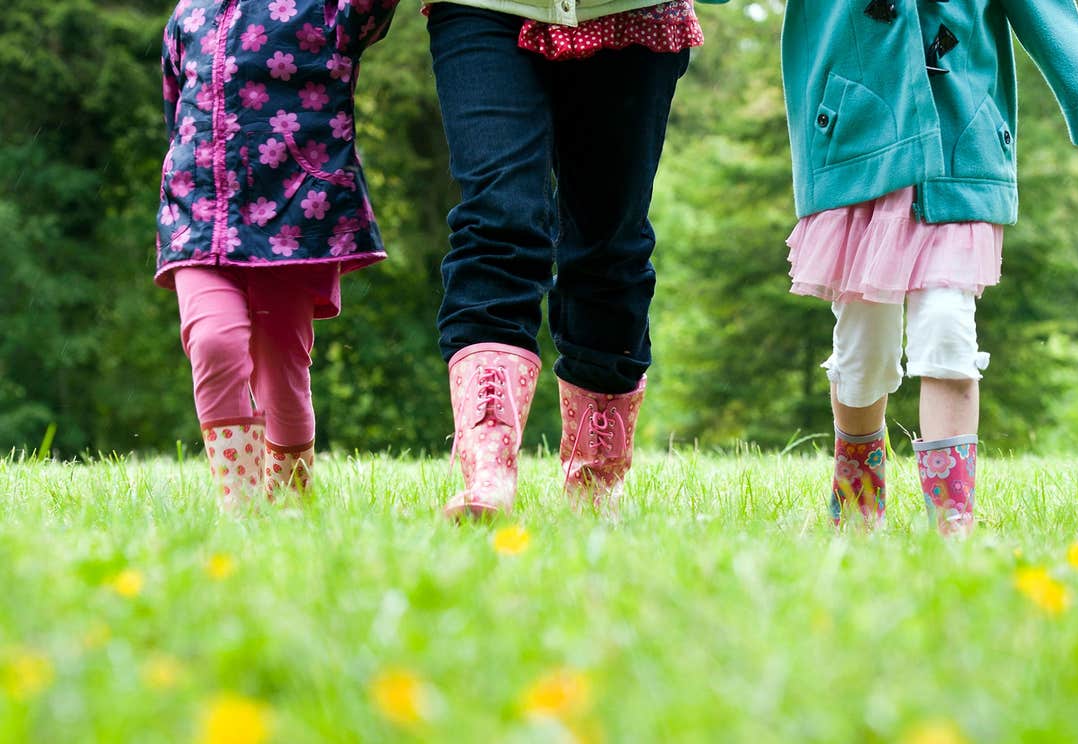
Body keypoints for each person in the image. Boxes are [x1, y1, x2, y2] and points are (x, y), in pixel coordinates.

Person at [781, 0, 1078, 535]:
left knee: (947, 332)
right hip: (857, 143)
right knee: (863, 350)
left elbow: (1046, 10)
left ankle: (952, 529)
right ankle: (856, 509)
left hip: (960, 149)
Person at [424, 0, 721, 518]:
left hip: (630, 10)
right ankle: (486, 462)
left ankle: (596, 479)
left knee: (609, 243)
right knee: (496, 219)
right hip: (483, 7)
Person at [156, 0, 397, 509]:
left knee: (282, 369)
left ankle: (289, 505)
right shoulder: (188, 15)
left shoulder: (330, 9)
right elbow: (176, 115)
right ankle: (240, 509)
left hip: (295, 214)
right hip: (200, 216)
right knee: (215, 342)